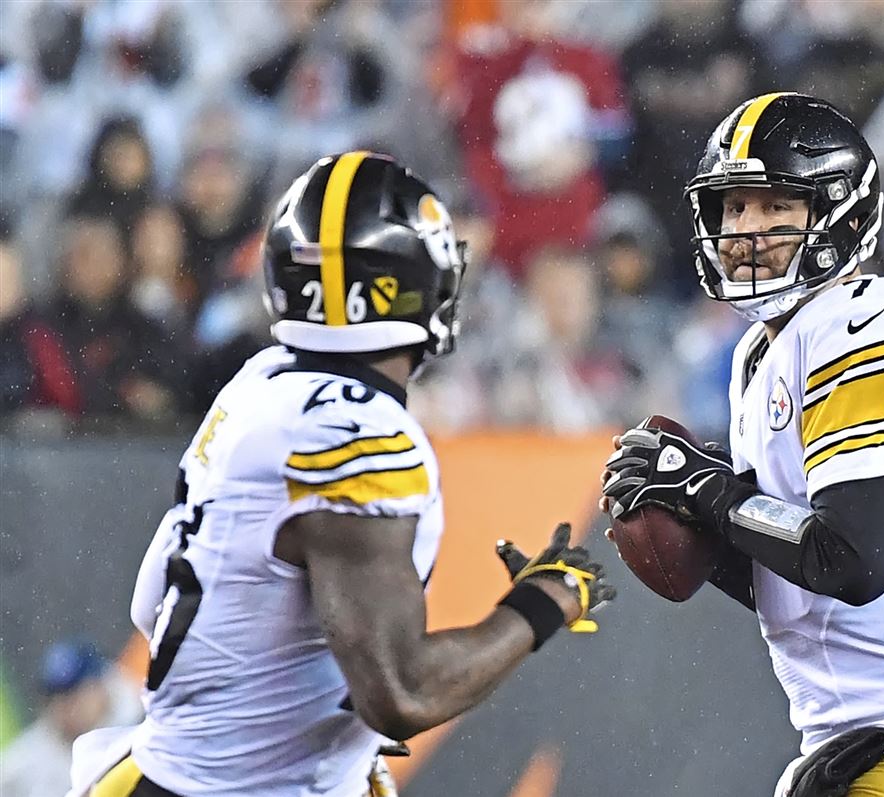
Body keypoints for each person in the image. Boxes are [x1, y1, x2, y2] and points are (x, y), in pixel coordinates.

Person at [69, 152, 615, 797]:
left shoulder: (262, 382)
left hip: (161, 772)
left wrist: (309, 715)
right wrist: (541, 603)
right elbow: (403, 694)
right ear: (405, 284)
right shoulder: (358, 435)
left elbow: (154, 603)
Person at [601, 93, 884, 797]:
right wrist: (687, 508)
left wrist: (709, 491)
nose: (745, 228)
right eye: (733, 206)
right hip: (874, 736)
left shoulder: (875, 321)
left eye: (775, 204)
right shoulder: (759, 352)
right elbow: (798, 580)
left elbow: (851, 561)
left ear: (838, 214)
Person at [1, 639, 140, 797]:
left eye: (74, 694)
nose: (65, 706)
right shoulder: (22, 766)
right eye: (55, 697)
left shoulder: (144, 728)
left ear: (99, 686)